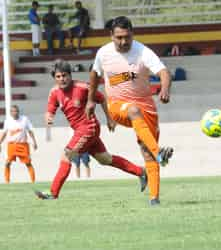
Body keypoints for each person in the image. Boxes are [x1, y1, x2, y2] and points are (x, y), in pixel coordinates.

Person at [86, 16, 173, 206]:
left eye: (127, 37)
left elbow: (164, 72)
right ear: (111, 36)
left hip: (146, 107)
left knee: (146, 153)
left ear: (132, 34)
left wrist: (165, 89)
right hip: (118, 106)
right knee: (133, 111)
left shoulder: (143, 52)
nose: (123, 42)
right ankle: (159, 153)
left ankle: (154, 199)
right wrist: (91, 100)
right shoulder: (103, 53)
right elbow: (94, 74)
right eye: (119, 37)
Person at [34, 60, 147, 200]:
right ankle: (141, 171)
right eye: (58, 76)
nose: (62, 79)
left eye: (64, 75)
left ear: (70, 75)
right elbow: (50, 109)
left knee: (67, 155)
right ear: (54, 78)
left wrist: (110, 119)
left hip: (88, 127)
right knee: (105, 159)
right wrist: (49, 117)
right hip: (80, 130)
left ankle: (53, 193)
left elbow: (102, 98)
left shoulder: (82, 87)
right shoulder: (54, 92)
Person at [0, 105, 37, 183]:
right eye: (13, 111)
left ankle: (33, 181)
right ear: (10, 112)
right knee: (7, 163)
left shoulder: (24, 119)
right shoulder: (7, 121)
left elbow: (30, 131)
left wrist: (34, 142)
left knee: (28, 163)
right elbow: (4, 133)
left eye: (16, 111)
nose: (14, 113)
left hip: (23, 145)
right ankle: (7, 181)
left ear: (18, 112)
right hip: (12, 145)